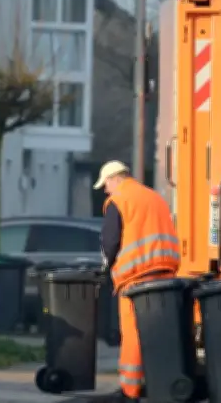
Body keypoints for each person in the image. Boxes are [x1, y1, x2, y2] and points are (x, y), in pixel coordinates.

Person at [94, 160, 181, 403]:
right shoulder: (154, 197)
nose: (105, 190)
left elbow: (110, 241)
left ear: (115, 178)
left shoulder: (118, 201)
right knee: (159, 332)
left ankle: (130, 390)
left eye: (106, 184)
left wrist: (105, 267)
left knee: (133, 333)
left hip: (135, 278)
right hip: (165, 274)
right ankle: (162, 385)